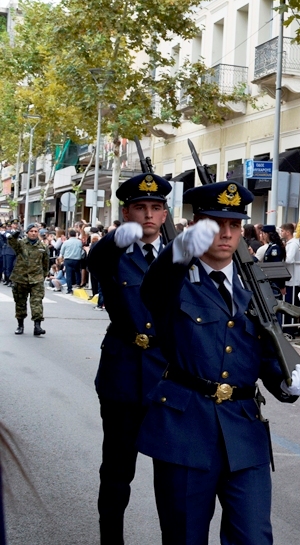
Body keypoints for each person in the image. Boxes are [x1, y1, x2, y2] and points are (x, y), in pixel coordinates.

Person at [138, 181, 300, 544]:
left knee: (254, 537)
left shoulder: (253, 288)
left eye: (234, 225)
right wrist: (184, 244)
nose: (225, 233)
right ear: (195, 227)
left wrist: (286, 382)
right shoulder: (176, 282)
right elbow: (154, 285)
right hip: (186, 428)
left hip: (243, 430)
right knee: (184, 536)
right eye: (214, 224)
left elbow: (266, 353)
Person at [88, 173, 173, 543]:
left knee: (174, 477)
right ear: (126, 213)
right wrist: (114, 238)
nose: (149, 215)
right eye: (140, 207)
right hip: (123, 375)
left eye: (156, 208)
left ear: (166, 215)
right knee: (118, 473)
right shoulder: (114, 254)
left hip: (170, 378)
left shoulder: (180, 257)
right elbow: (97, 261)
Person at [9, 223, 50, 336]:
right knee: (20, 303)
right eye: (31, 231)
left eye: (36, 231)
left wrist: (43, 275)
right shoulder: (21, 244)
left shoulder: (42, 246)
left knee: (37, 302)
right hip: (20, 278)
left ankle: (37, 326)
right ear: (27, 232)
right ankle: (20, 325)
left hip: (36, 279)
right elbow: (11, 243)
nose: (33, 233)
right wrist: (15, 235)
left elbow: (46, 263)